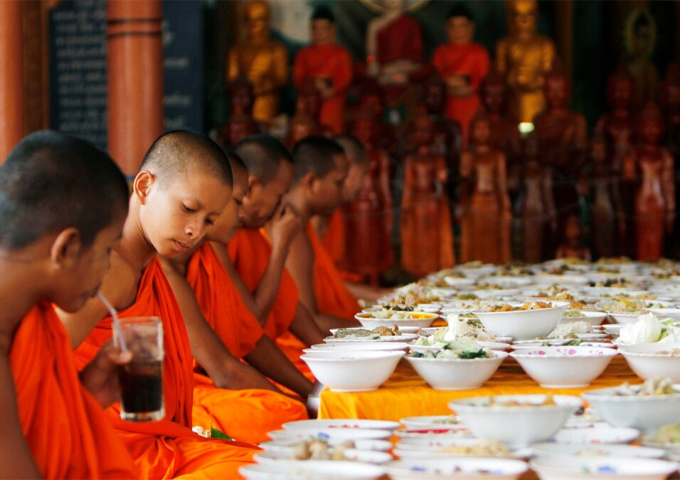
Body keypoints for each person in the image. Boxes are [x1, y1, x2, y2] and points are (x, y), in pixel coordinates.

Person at [59, 130, 258, 479]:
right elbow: (41, 372)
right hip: (113, 452)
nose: (196, 230)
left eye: (209, 220)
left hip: (151, 440)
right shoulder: (110, 271)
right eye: (188, 209)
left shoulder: (146, 266)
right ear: (145, 187)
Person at [0, 131, 137, 479]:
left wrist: (84, 395)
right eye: (107, 250)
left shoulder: (27, 320)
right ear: (67, 249)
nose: (109, 268)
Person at [159, 150, 311, 444]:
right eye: (238, 202)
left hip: (207, 385)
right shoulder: (163, 271)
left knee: (288, 408)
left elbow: (250, 337)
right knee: (282, 413)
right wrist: (306, 407)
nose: (243, 213)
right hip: (180, 399)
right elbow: (226, 370)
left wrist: (309, 393)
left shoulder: (205, 256)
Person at [223, 136, 327, 381]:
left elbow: (288, 304)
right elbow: (253, 321)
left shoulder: (249, 236)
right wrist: (281, 246)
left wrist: (335, 350)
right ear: (250, 187)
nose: (282, 205)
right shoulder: (216, 240)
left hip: (253, 361)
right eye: (279, 195)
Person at [285, 136, 361, 325]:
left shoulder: (303, 226)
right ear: (311, 183)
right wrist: (380, 329)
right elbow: (309, 322)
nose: (343, 191)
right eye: (338, 183)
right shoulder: (290, 232)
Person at [432, 4, 490, 141]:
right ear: (447, 28)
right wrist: (452, 81)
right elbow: (437, 77)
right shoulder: (441, 52)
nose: (458, 31)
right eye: (453, 26)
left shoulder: (478, 52)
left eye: (462, 26)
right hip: (449, 104)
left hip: (472, 104)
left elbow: (482, 80)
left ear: (470, 27)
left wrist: (467, 85)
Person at [293, 5, 353, 134]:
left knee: (331, 131)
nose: (319, 33)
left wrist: (331, 89)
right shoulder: (304, 53)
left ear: (332, 29)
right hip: (309, 103)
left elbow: (345, 77)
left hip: (332, 102)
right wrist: (313, 84)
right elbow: (298, 77)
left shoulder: (340, 54)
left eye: (323, 28)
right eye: (316, 28)